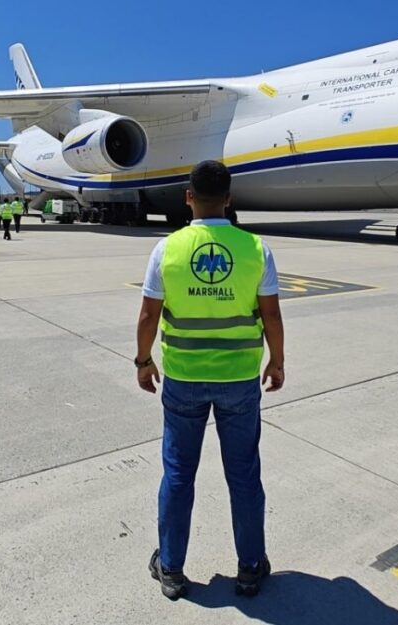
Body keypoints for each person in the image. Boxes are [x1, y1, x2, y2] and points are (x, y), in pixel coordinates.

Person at [136, 160, 285, 601]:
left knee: (178, 474)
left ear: (188, 197)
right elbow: (272, 315)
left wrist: (143, 361)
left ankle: (171, 568)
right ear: (229, 198)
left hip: (183, 377)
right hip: (239, 379)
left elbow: (148, 316)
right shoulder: (255, 249)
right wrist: (277, 362)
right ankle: (250, 567)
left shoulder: (168, 249)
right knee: (244, 475)